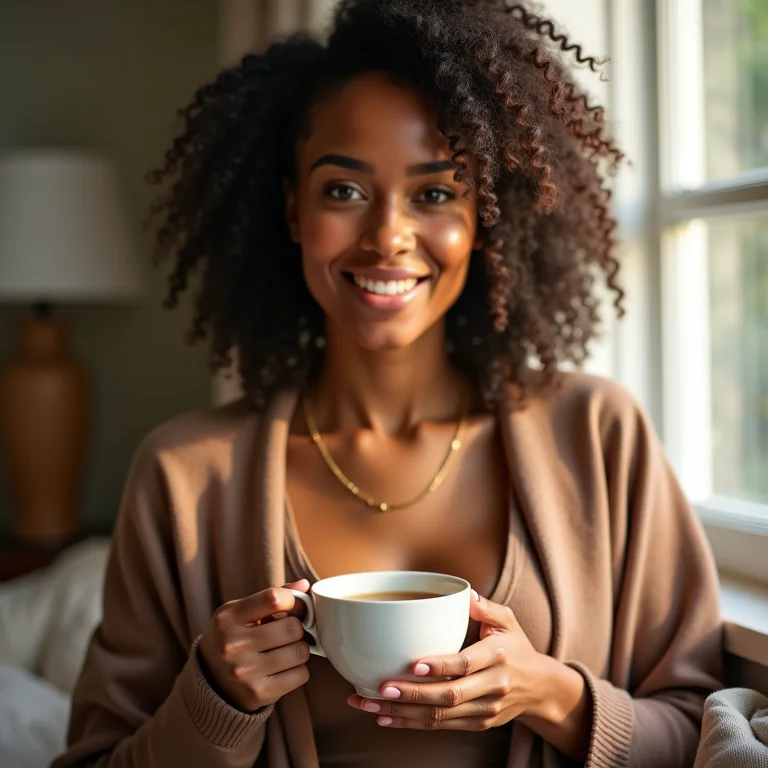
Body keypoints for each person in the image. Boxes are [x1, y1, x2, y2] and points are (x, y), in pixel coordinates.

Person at [53, 1, 723, 766]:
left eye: (436, 193)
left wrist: (550, 695)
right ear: (292, 208)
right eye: (344, 190)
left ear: (485, 217)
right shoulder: (182, 473)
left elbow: (700, 735)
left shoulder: (599, 435)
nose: (388, 237)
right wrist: (213, 697)